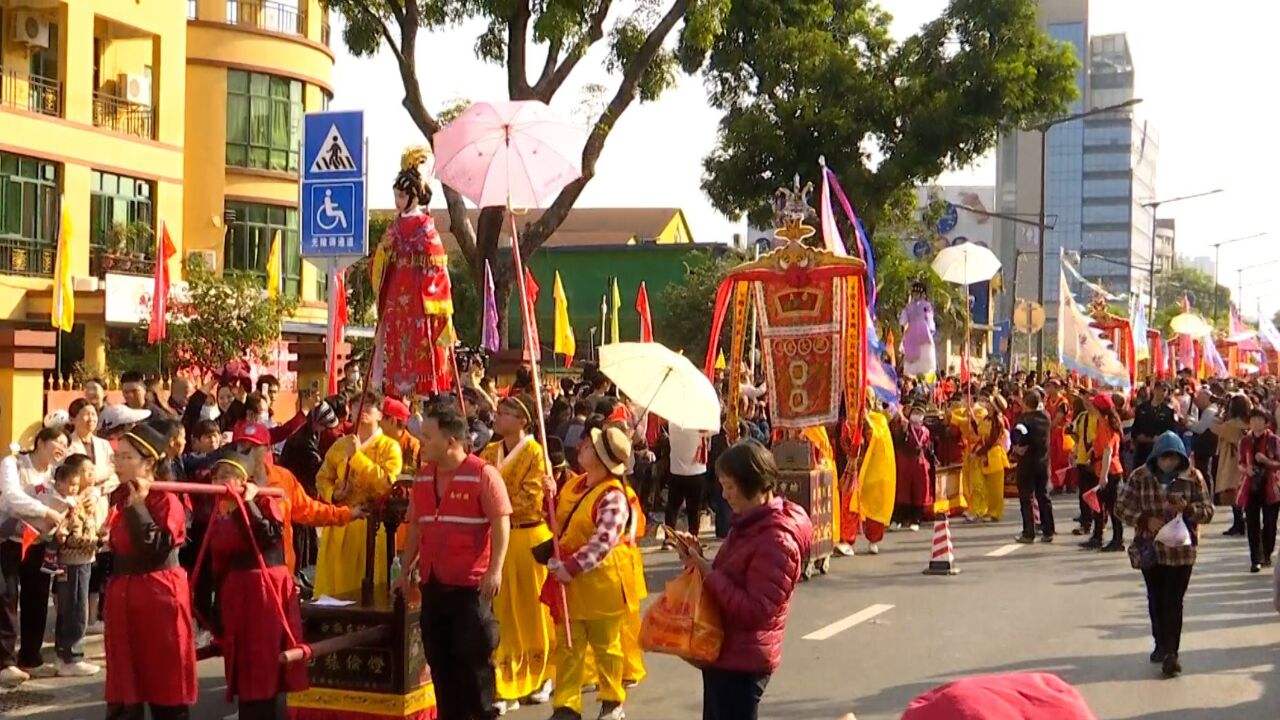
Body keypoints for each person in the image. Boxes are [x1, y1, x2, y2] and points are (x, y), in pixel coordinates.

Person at [674, 441, 812, 720]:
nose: (724, 495)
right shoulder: (750, 523)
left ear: (753, 484)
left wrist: (708, 572)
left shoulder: (777, 541)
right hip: (726, 652)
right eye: (723, 486)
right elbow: (731, 576)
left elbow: (755, 610)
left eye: (730, 486)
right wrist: (697, 560)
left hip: (743, 661)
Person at [400, 404, 511, 720]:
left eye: (427, 437)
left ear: (450, 442)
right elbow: (416, 526)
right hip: (433, 587)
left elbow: (501, 522)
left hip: (470, 590)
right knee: (440, 664)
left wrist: (495, 569)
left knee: (474, 667)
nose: (421, 443)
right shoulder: (422, 477)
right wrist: (406, 568)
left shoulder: (482, 474)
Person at [103, 424, 198, 717]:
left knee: (164, 678)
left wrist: (140, 507)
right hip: (125, 595)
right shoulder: (121, 496)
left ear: (149, 463)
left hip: (159, 595)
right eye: (117, 457)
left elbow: (157, 546)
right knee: (124, 681)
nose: (119, 464)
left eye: (127, 457)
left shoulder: (166, 499)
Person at [206, 452, 307, 720]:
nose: (220, 482)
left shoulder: (264, 501)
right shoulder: (220, 513)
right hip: (236, 593)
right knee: (244, 663)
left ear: (243, 479)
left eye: (227, 476)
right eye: (216, 476)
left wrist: (246, 504)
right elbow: (216, 563)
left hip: (264, 590)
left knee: (265, 661)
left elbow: (269, 536)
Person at [546, 426, 637, 720]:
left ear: (598, 458)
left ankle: (612, 702)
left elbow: (604, 541)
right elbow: (559, 524)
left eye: (590, 445)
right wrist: (547, 496)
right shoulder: (574, 485)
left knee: (606, 648)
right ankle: (566, 705)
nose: (582, 445)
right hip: (569, 583)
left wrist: (571, 567)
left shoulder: (613, 496)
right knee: (568, 647)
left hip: (601, 583)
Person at [479, 395, 555, 711]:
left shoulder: (537, 453)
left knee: (532, 608)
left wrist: (494, 504)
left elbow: (530, 499)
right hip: (498, 539)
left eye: (506, 413)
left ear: (523, 421)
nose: (497, 417)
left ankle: (543, 673)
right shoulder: (489, 451)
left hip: (528, 536)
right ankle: (505, 677)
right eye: (498, 411)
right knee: (502, 611)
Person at [1116, 431, 1213, 678]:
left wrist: (1188, 509)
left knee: (1174, 601)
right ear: (1155, 458)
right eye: (1164, 458)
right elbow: (1121, 508)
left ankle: (1172, 652)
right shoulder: (1140, 477)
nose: (1168, 463)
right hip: (1151, 549)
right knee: (1156, 598)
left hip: (1181, 552)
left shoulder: (1193, 478)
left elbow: (1208, 511)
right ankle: (1160, 642)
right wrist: (1144, 520)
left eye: (1172, 458)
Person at [372, 146, 455, 397]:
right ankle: (396, 392)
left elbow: (437, 263)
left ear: (414, 196)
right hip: (397, 293)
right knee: (397, 343)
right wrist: (383, 254)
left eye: (401, 196)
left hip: (420, 294)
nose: (396, 201)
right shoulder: (394, 226)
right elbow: (380, 261)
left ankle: (423, 394)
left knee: (421, 340)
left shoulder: (426, 226)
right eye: (396, 195)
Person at [314, 393, 403, 597]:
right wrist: (334, 494)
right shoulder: (339, 445)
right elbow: (322, 477)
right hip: (340, 521)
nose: (361, 410)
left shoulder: (390, 448)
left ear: (380, 414)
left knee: (366, 586)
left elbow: (386, 484)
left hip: (370, 526)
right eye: (355, 406)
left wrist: (357, 457)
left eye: (369, 406)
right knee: (334, 585)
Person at [0, 425, 69, 684]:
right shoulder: (13, 463)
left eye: (65, 443)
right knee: (6, 596)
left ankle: (31, 656)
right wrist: (45, 512)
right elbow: (11, 497)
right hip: (7, 538)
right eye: (57, 442)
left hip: (40, 542)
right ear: (41, 442)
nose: (61, 448)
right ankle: (4, 661)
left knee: (37, 599)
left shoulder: (56, 473)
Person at [50, 454, 103, 677]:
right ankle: (72, 655)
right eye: (86, 471)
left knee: (73, 606)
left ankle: (66, 653)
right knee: (75, 607)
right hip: (73, 561)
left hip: (84, 559)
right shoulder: (69, 503)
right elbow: (69, 536)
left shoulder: (87, 497)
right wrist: (96, 541)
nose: (91, 475)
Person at [1237, 408, 1280, 573]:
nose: (1256, 423)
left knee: (1270, 523)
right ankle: (1255, 558)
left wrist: (1267, 461)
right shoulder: (1245, 441)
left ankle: (1267, 553)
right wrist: (1245, 469)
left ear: (1266, 422)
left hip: (1270, 486)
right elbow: (1240, 462)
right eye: (1253, 420)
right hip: (1251, 485)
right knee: (1252, 523)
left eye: (1260, 420)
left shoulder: (1274, 440)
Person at [1082, 394, 1125, 552]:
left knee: (1111, 508)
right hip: (1105, 468)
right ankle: (1098, 536)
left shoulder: (1105, 425)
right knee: (1100, 506)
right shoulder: (1105, 423)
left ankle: (1116, 540)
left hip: (1110, 471)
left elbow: (1108, 451)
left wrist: (1103, 475)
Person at [1012, 389, 1055, 543]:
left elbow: (1021, 444)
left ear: (1025, 403)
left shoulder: (1024, 421)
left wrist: (1017, 448)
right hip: (1043, 462)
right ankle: (1048, 530)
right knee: (1043, 496)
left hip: (1027, 464)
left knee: (1027, 498)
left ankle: (1028, 532)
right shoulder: (1046, 417)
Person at [665, 422, 708, 546]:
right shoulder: (699, 426)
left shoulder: (673, 424)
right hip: (696, 471)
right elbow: (713, 431)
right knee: (694, 509)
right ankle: (693, 537)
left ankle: (669, 537)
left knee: (673, 506)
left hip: (676, 470)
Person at [892, 405, 934, 532]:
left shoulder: (926, 431)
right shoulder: (905, 427)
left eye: (920, 413)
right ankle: (899, 518)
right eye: (915, 412)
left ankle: (916, 518)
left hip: (919, 462)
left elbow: (928, 448)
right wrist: (902, 430)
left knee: (919, 490)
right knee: (903, 490)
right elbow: (897, 441)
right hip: (905, 460)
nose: (917, 415)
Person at [1215, 394, 1251, 536]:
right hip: (1246, 460)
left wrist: (1220, 413)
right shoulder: (1249, 424)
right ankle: (1244, 521)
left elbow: (1215, 428)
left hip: (1231, 461)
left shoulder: (1231, 425)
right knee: (1244, 493)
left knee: (1233, 493)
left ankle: (1238, 523)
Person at [1070, 395, 1100, 537]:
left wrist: (1092, 452)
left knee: (1098, 495)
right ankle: (1085, 523)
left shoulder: (1100, 419)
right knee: (1083, 494)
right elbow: (1077, 435)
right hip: (1082, 459)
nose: (1087, 403)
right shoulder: (1082, 417)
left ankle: (1100, 523)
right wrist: (1074, 450)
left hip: (1096, 461)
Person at [1132, 382, 1179, 469]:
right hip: (1142, 449)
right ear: (1154, 390)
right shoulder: (1142, 408)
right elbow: (1135, 427)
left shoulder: (1168, 411)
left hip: (1159, 449)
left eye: (1164, 390)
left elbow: (1172, 431)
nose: (1161, 393)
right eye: (1159, 389)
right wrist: (1137, 437)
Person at [381, 397, 421, 471]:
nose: (378, 420)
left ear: (393, 421)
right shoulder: (377, 441)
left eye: (381, 417)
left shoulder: (413, 446)